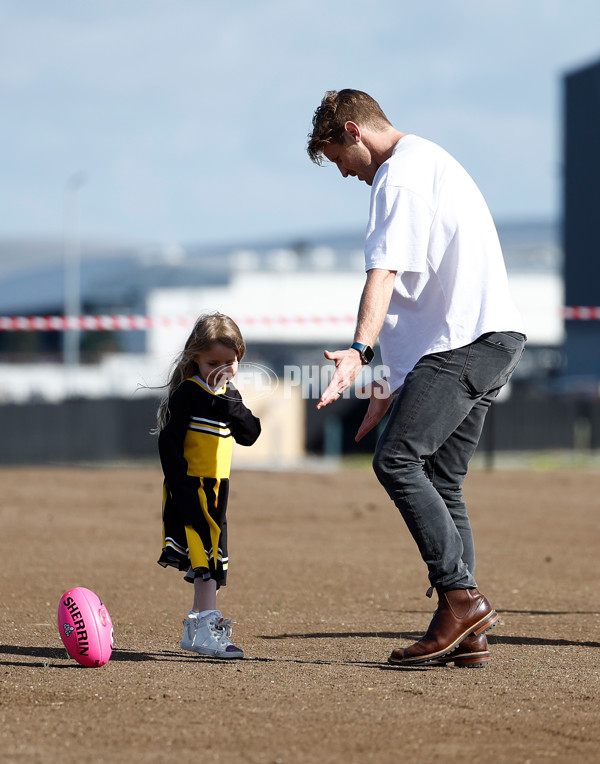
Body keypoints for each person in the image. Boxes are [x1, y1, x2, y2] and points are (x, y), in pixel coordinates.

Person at [307, 89, 526, 668]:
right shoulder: (430, 159)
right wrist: (388, 384)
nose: (345, 174)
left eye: (337, 160)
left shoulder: (397, 178)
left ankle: (461, 600)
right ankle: (468, 629)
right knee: (443, 481)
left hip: (463, 345)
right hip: (488, 339)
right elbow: (423, 300)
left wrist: (359, 350)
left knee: (396, 461)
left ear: (353, 131)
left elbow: (385, 275)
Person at [155, 312, 261, 659]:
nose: (221, 369)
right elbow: (168, 446)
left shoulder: (229, 395)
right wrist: (182, 489)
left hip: (218, 490)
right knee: (204, 561)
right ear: (194, 358)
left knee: (213, 558)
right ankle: (206, 625)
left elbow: (250, 434)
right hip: (190, 488)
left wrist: (233, 403)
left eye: (229, 362)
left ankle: (195, 628)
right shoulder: (189, 393)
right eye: (212, 362)